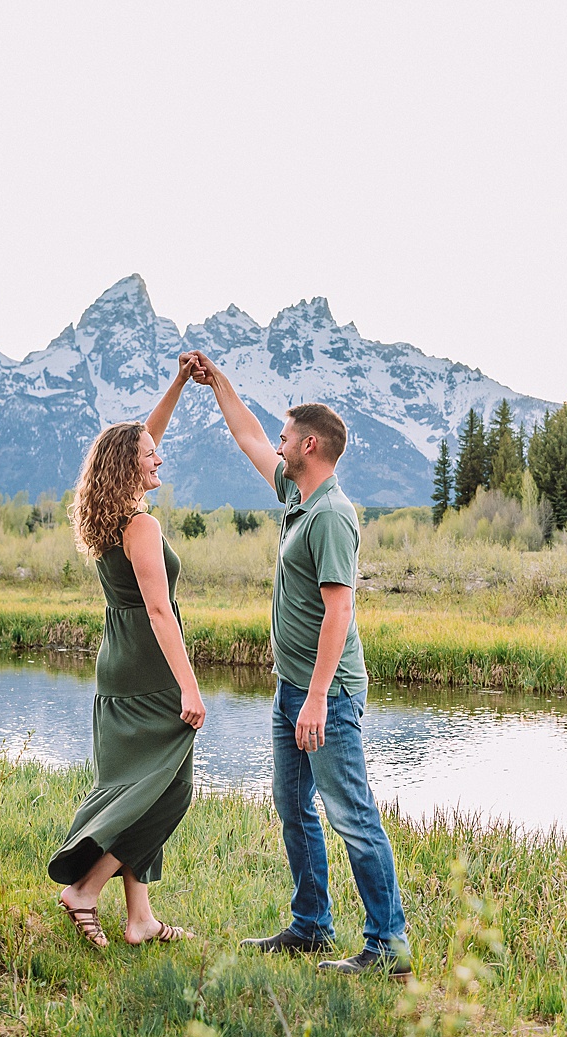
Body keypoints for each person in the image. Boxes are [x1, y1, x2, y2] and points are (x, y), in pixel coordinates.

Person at [184, 351, 410, 978]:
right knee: (293, 804)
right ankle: (311, 926)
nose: (277, 444)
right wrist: (217, 383)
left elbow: (339, 613)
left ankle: (387, 946)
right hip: (293, 690)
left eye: (287, 437)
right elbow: (247, 434)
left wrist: (313, 699)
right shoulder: (296, 493)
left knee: (351, 812)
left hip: (326, 695)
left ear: (310, 445)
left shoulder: (333, 514)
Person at [48, 356, 206, 949]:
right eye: (148, 455)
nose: (158, 456)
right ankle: (84, 887)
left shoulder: (109, 520)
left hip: (116, 667)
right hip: (150, 668)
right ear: (129, 470)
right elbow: (161, 613)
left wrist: (176, 387)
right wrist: (190, 687)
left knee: (138, 786)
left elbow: (143, 435)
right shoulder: (140, 527)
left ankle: (139, 918)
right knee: (168, 790)